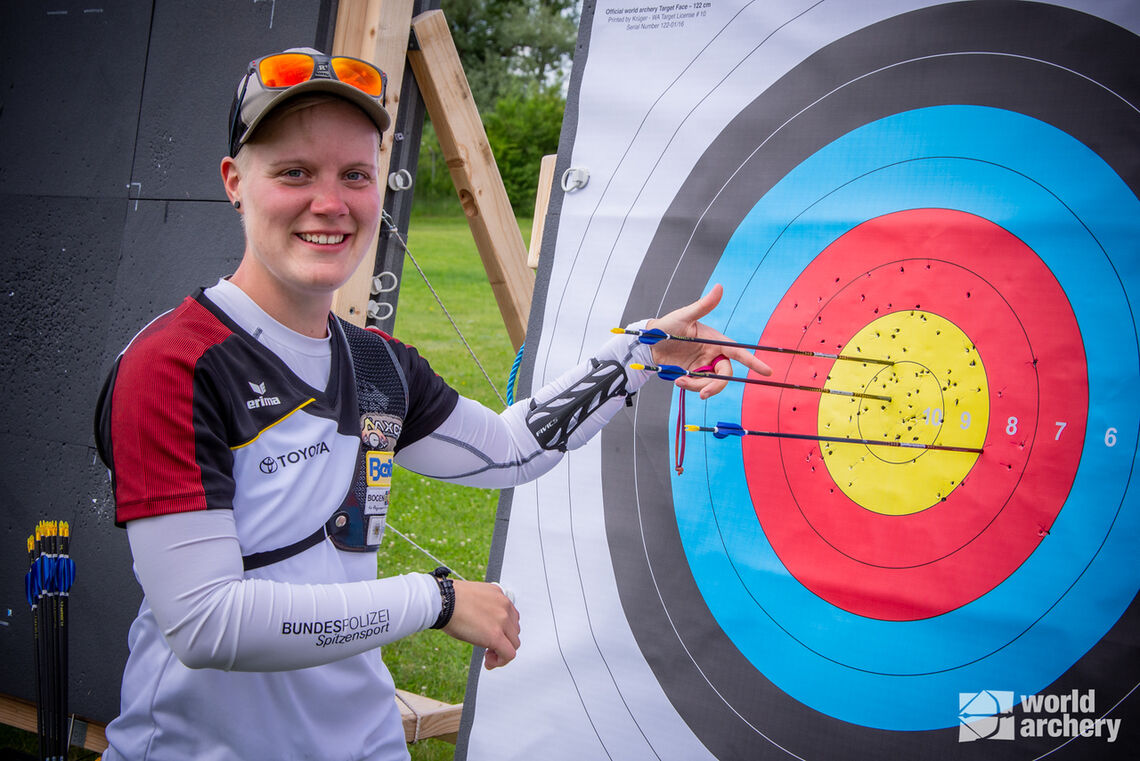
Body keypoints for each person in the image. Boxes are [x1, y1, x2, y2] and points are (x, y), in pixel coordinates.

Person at [93, 47, 772, 761]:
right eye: (294, 172)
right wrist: (437, 598)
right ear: (236, 182)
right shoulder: (173, 366)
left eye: (355, 175)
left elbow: (509, 448)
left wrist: (642, 354)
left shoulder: (378, 365)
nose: (330, 203)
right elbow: (206, 623)